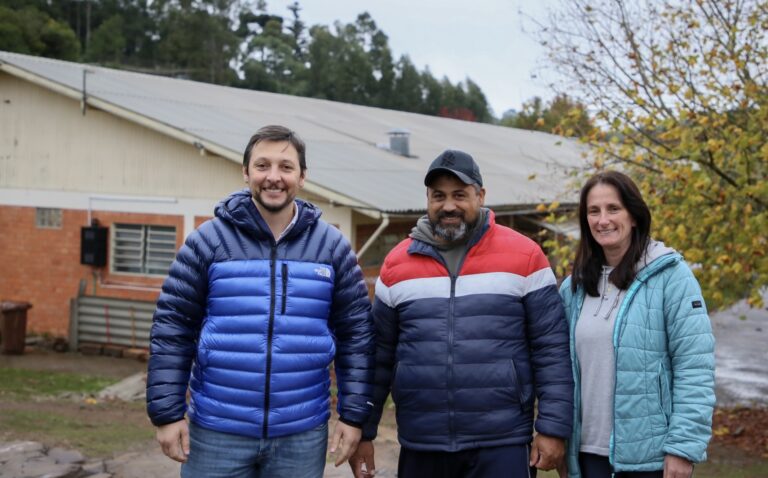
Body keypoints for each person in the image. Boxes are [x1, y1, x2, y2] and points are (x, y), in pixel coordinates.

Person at [146, 125, 375, 477]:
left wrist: (353, 415)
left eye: (285, 167)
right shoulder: (207, 242)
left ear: (302, 177)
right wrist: (167, 413)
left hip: (300, 434)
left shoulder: (332, 247)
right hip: (217, 432)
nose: (273, 177)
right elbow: (172, 327)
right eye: (262, 166)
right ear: (245, 172)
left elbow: (357, 335)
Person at [349, 150, 574, 478]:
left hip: (503, 441)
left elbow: (552, 349)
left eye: (460, 195)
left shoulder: (525, 256)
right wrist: (365, 431)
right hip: (423, 442)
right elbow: (379, 356)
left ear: (480, 196)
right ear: (427, 198)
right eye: (438, 196)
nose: (448, 205)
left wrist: (553, 428)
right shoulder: (397, 264)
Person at [559, 170, 715, 478]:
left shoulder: (672, 277)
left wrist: (682, 448)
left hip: (650, 458)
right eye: (594, 211)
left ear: (634, 215)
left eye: (613, 208)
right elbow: (560, 372)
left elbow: (695, 368)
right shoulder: (573, 289)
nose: (603, 220)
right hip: (587, 456)